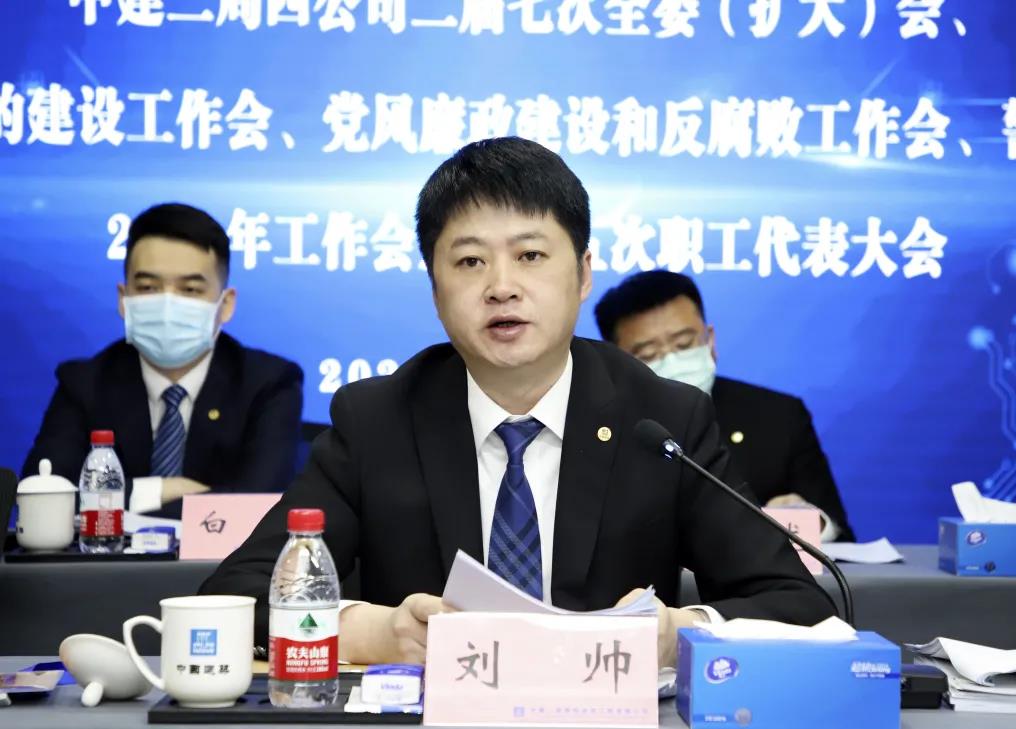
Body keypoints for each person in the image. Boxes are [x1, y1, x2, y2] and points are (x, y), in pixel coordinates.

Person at [201, 137, 834, 668]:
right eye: (470, 261)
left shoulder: (661, 419)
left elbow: (798, 604)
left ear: (583, 273)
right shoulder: (378, 421)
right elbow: (237, 595)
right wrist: (375, 633)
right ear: (434, 289)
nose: (501, 287)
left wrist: (676, 635)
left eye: (530, 255)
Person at [22, 203, 303, 518]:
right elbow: (44, 493)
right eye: (148, 287)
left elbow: (259, 504)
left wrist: (119, 498)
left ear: (225, 305)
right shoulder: (85, 383)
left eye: (190, 289)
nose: (168, 303)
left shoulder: (268, 383)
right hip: (107, 552)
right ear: (124, 299)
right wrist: (158, 491)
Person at [594, 270, 855, 542]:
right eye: (648, 354)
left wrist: (812, 523)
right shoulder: (593, 430)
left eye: (684, 344)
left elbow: (840, 537)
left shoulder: (779, 417)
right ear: (615, 362)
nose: (672, 362)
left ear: (710, 340)